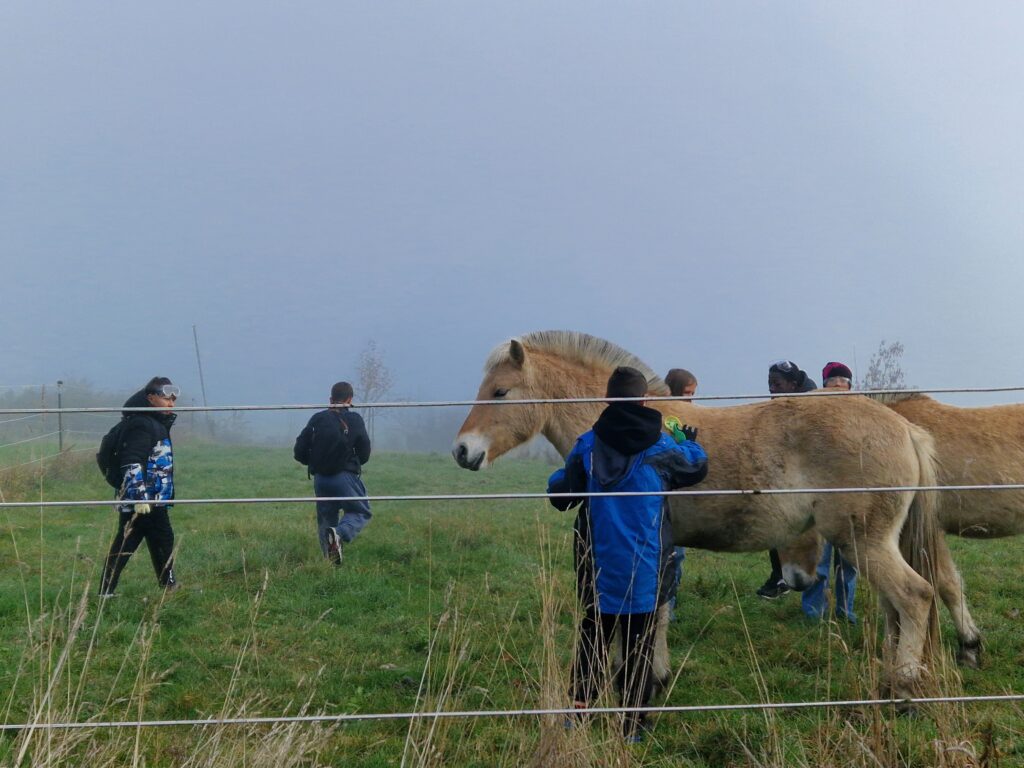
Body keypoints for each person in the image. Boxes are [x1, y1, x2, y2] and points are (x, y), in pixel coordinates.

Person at [547, 366, 708, 742]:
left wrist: (561, 476)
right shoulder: (661, 448)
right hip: (646, 571)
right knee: (640, 645)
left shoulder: (588, 445)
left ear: (607, 400)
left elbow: (561, 495)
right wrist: (689, 441)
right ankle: (633, 725)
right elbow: (696, 466)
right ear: (645, 400)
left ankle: (578, 712)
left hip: (598, 569)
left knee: (593, 638)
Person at [99, 377, 180, 597]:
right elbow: (132, 460)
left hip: (152, 498)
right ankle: (107, 592)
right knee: (133, 543)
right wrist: (139, 498)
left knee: (157, 540)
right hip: (144, 500)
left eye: (173, 400)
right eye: (166, 399)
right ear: (151, 398)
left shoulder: (154, 423)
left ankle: (168, 585)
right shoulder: (142, 424)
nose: (171, 404)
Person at [801, 362, 858, 622]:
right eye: (833, 381)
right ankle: (814, 612)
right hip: (819, 501)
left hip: (851, 501)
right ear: (823, 385)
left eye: (843, 381)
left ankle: (846, 611)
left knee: (849, 563)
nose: (838, 385)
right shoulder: (813, 418)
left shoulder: (860, 416)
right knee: (819, 562)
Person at [756, 360, 817, 600]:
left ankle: (797, 582)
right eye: (769, 384)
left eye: (777, 384)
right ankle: (780, 576)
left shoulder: (808, 407)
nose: (771, 389)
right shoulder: (783, 405)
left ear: (792, 384)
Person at [293, 381, 372, 565]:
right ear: (350, 400)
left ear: (330, 399)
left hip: (321, 479)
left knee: (326, 519)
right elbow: (365, 452)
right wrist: (354, 462)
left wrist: (312, 462)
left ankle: (329, 563)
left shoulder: (317, 419)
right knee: (360, 511)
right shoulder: (355, 420)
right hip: (344, 477)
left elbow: (299, 450)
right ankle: (339, 533)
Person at [664, 368, 698, 621]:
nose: (691, 400)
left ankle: (671, 602)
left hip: (679, 498)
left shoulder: (683, 416)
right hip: (667, 498)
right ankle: (668, 606)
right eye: (687, 394)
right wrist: (688, 442)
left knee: (678, 555)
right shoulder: (668, 418)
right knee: (670, 555)